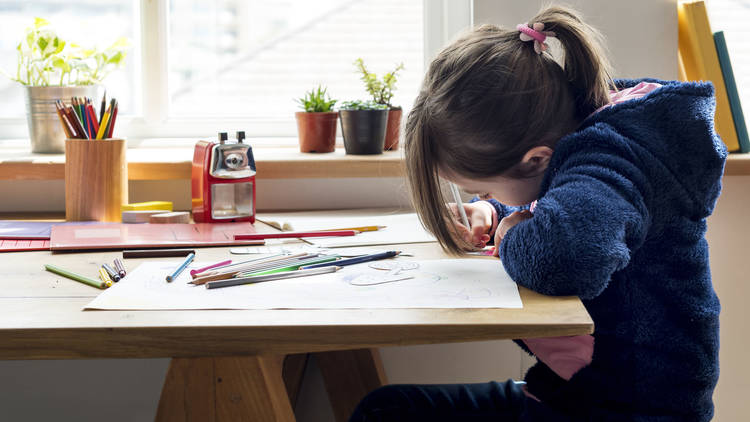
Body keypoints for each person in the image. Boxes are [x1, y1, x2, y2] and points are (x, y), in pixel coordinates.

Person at [349, 5, 725, 422]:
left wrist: (509, 233)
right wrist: (491, 210)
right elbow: (552, 201)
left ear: (535, 159)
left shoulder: (611, 161)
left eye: (483, 187)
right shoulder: (581, 143)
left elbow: (571, 256)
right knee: (385, 409)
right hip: (577, 393)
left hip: (631, 409)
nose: (488, 196)